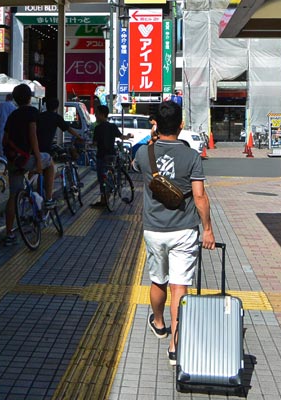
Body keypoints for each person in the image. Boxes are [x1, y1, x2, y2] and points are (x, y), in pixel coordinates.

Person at [133, 101, 215, 363]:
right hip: (184, 230)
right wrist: (208, 230)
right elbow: (200, 197)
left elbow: (138, 163)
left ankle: (158, 323)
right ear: (181, 125)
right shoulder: (191, 157)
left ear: (156, 124)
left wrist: (152, 135)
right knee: (180, 285)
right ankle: (175, 344)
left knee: (159, 280)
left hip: (154, 229)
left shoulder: (144, 154)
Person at [2, 83, 52, 246]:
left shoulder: (13, 115)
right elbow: (33, 136)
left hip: (14, 160)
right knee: (49, 162)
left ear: (15, 100)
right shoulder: (32, 112)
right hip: (27, 159)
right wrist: (38, 159)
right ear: (30, 97)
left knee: (13, 196)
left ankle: (9, 233)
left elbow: (5, 139)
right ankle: (49, 198)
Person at [91, 105, 131, 207]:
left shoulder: (98, 128)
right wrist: (129, 136)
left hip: (101, 155)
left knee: (101, 179)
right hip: (111, 156)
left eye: (97, 113)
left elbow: (95, 143)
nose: (95, 115)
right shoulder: (112, 126)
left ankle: (103, 200)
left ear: (102, 114)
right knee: (109, 176)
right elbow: (122, 137)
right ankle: (108, 195)